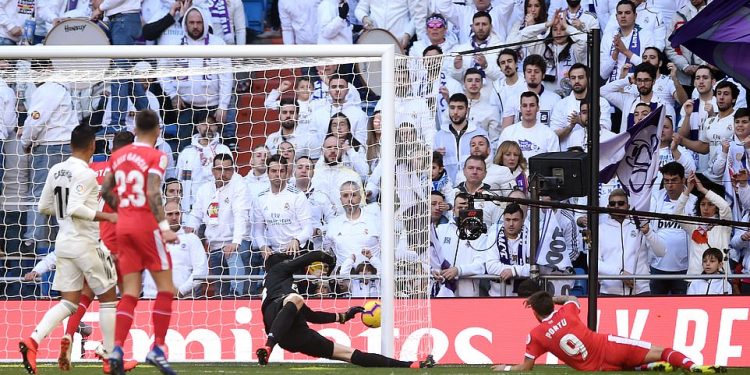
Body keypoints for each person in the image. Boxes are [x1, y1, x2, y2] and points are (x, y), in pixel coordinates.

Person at [19, 125, 119, 375]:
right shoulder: (85, 173)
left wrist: (64, 212)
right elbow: (75, 207)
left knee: (69, 303)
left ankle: (33, 341)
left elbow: (43, 207)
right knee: (109, 298)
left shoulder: (56, 169)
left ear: (70, 144)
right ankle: (109, 357)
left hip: (63, 243)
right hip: (85, 242)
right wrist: (108, 217)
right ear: (92, 145)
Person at [255, 251, 435, 368]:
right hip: (276, 319)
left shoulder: (281, 287)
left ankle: (410, 365)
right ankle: (269, 347)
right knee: (296, 299)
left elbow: (312, 316)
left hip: (291, 333)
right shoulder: (276, 271)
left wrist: (342, 316)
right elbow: (311, 256)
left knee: (349, 354)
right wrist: (329, 260)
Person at [100, 110, 180, 375]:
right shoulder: (157, 155)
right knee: (167, 288)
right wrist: (165, 227)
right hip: (147, 226)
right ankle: (157, 347)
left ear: (135, 130)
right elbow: (152, 189)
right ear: (157, 131)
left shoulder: (118, 155)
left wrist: (121, 210)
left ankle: (117, 349)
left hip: (123, 227)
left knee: (130, 292)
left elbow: (105, 189)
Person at [492, 291, 727, 372]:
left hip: (594, 368)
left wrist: (503, 368)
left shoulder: (536, 335)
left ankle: (652, 368)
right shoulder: (568, 312)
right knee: (662, 350)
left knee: (627, 366)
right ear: (553, 305)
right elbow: (573, 298)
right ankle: (694, 367)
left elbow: (525, 367)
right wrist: (554, 298)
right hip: (608, 347)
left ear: (535, 313)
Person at [185, 153, 248, 296]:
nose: (223, 173)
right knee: (221, 292)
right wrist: (190, 228)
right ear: (213, 170)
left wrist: (235, 242)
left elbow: (240, 215)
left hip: (234, 245)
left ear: (233, 170)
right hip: (214, 246)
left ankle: (237, 296)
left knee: (235, 290)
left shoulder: (240, 187)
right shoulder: (204, 190)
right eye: (219, 169)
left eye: (227, 169)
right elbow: (196, 214)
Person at [252, 154, 313, 260]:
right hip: (274, 253)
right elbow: (258, 230)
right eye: (274, 171)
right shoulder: (260, 198)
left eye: (281, 171)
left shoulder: (297, 195)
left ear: (287, 173)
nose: (277, 174)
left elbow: (308, 228)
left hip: (298, 250)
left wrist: (296, 240)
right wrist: (263, 246)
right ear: (268, 173)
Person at [143, 201, 208, 298]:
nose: (174, 217)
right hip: (150, 298)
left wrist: (181, 291)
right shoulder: (149, 239)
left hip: (182, 300)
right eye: (170, 214)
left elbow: (201, 269)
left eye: (177, 213)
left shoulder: (191, 238)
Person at [674, 172, 732, 276]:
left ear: (716, 207)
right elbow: (676, 214)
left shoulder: (724, 225)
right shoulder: (693, 225)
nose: (705, 208)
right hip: (695, 277)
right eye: (702, 204)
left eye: (710, 205)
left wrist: (702, 189)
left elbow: (725, 207)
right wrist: (687, 190)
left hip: (720, 278)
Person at [598, 189, 650, 295]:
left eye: (621, 203)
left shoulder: (640, 226)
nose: (616, 206)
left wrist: (649, 233)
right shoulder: (599, 230)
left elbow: (661, 251)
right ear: (608, 207)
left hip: (640, 290)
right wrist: (620, 273)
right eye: (612, 204)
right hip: (609, 291)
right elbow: (593, 262)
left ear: (628, 206)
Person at [497, 92, 560, 159]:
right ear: (520, 108)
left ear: (538, 108)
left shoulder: (549, 134)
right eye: (524, 106)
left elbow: (555, 162)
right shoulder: (508, 132)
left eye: (532, 105)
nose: (528, 109)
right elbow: (499, 159)